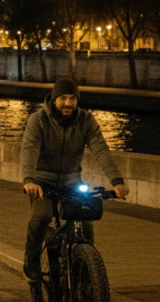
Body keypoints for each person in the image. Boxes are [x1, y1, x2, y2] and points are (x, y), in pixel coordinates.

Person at [20, 78, 128, 281]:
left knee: (85, 222)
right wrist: (29, 180)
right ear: (54, 100)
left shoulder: (86, 120)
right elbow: (29, 150)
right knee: (41, 216)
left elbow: (100, 149)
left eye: (72, 98)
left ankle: (87, 271)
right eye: (63, 98)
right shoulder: (38, 119)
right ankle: (31, 258)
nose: (68, 103)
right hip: (42, 182)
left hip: (71, 181)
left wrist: (116, 180)